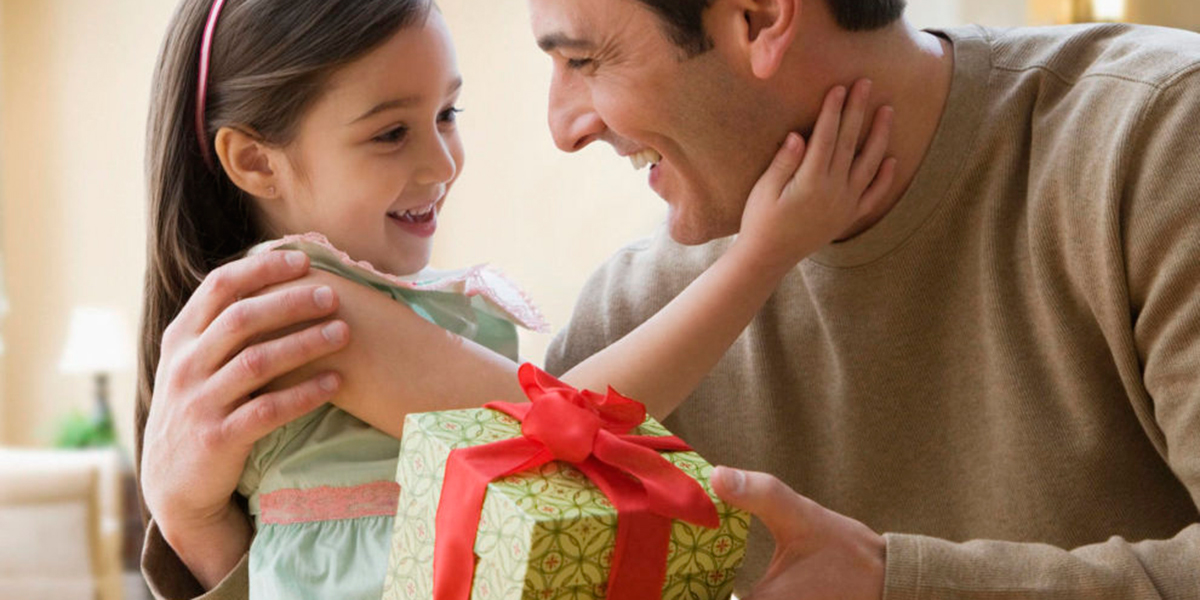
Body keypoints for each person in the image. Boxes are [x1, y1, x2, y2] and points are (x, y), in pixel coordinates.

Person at [135, 0, 896, 598]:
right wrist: (762, 255)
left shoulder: (362, 300)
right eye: (390, 133)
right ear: (254, 162)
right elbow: (561, 430)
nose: (441, 161)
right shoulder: (302, 306)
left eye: (446, 115)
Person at [534, 0, 1200, 598]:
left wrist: (896, 584)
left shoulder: (1162, 136)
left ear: (760, 18)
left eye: (584, 60)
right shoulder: (639, 322)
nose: (564, 127)